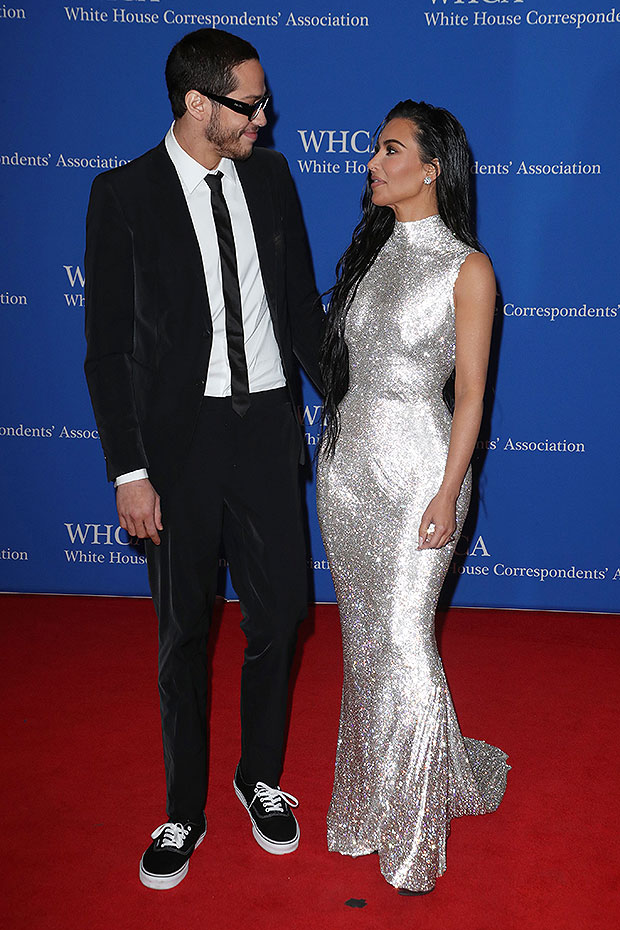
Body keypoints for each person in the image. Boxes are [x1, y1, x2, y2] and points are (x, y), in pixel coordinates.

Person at [84, 28, 324, 890]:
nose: (265, 118)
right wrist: (129, 470)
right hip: (179, 448)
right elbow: (108, 349)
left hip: (265, 431)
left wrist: (354, 395)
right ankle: (184, 810)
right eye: (249, 105)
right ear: (197, 104)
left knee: (283, 614)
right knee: (183, 632)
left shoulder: (272, 176)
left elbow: (300, 309)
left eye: (263, 104)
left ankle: (259, 777)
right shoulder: (124, 194)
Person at [316, 100, 509, 895]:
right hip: (347, 472)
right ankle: (369, 808)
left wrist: (450, 489)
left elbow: (470, 396)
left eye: (390, 149)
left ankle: (413, 840)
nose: (372, 162)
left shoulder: (468, 268)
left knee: (403, 642)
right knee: (364, 644)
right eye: (374, 148)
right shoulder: (370, 254)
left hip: (421, 475)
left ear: (431, 168)